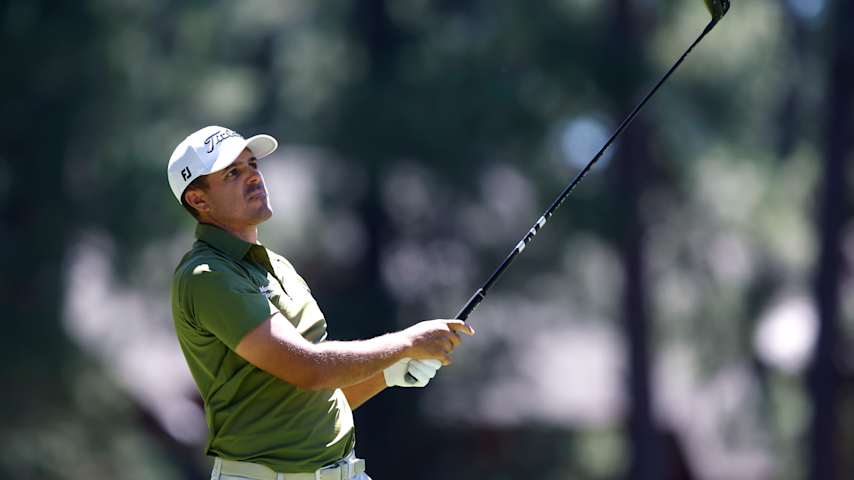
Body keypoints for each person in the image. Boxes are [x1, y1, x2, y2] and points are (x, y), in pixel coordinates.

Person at [167, 126, 475, 480]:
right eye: (232, 173)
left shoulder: (278, 267)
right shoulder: (207, 276)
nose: (253, 176)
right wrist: (406, 343)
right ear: (199, 200)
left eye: (252, 164)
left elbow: (315, 396)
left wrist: (390, 371)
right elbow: (309, 368)